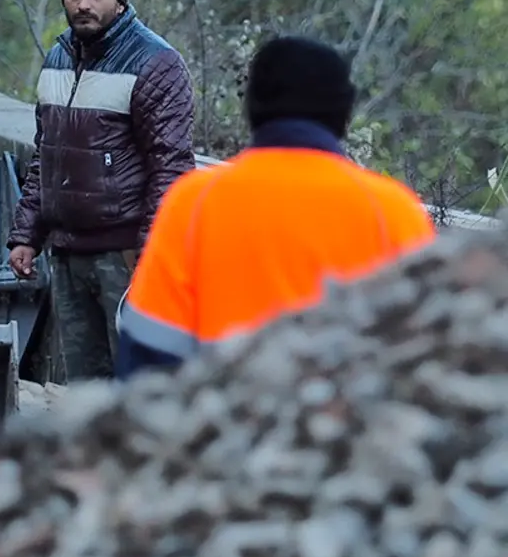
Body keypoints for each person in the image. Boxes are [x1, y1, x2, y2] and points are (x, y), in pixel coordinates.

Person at [116, 35, 436, 379]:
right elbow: (429, 363)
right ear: (344, 112)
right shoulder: (394, 212)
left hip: (221, 424)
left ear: (251, 106)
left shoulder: (193, 203)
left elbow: (147, 357)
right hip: (349, 427)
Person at [6, 0, 195, 381]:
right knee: (86, 394)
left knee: (141, 386)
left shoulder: (156, 64)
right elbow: (46, 155)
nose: (83, 4)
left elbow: (170, 171)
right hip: (69, 253)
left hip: (124, 256)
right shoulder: (58, 58)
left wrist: (153, 254)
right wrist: (26, 235)